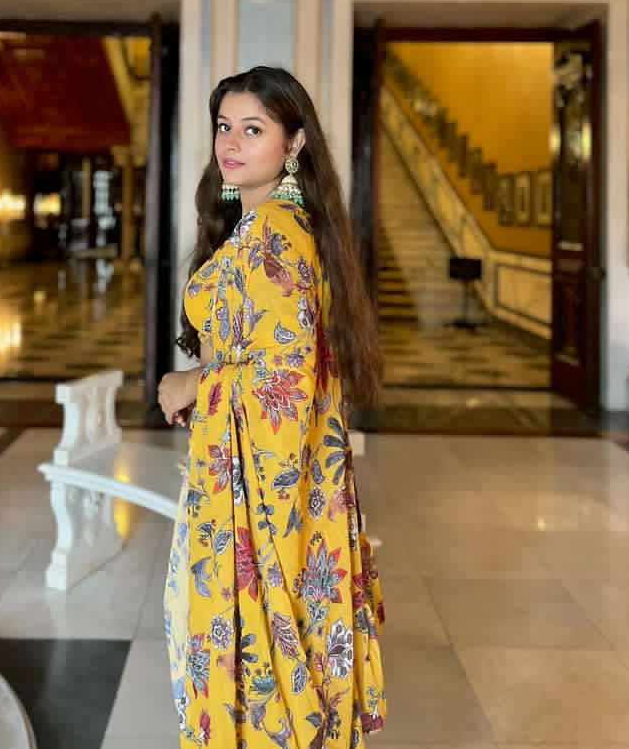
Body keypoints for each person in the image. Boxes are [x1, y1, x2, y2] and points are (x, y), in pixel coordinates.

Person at [159, 65, 387, 749]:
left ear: (294, 143)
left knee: (259, 666)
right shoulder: (265, 225)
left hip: (263, 493)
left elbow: (285, 380)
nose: (230, 143)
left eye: (252, 129)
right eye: (223, 126)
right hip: (255, 477)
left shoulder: (276, 234)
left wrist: (194, 385)